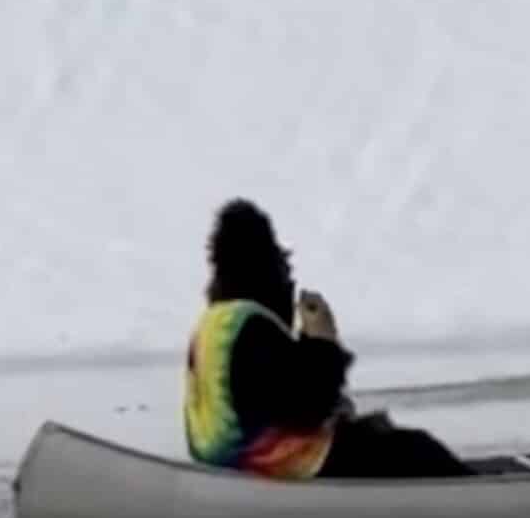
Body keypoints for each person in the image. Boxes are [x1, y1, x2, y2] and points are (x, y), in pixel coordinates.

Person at [184, 198, 471, 479]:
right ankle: (474, 494)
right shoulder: (253, 328)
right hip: (282, 466)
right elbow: (305, 408)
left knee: (381, 437)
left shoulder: (215, 323)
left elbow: (264, 395)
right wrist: (322, 341)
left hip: (227, 466)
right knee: (416, 448)